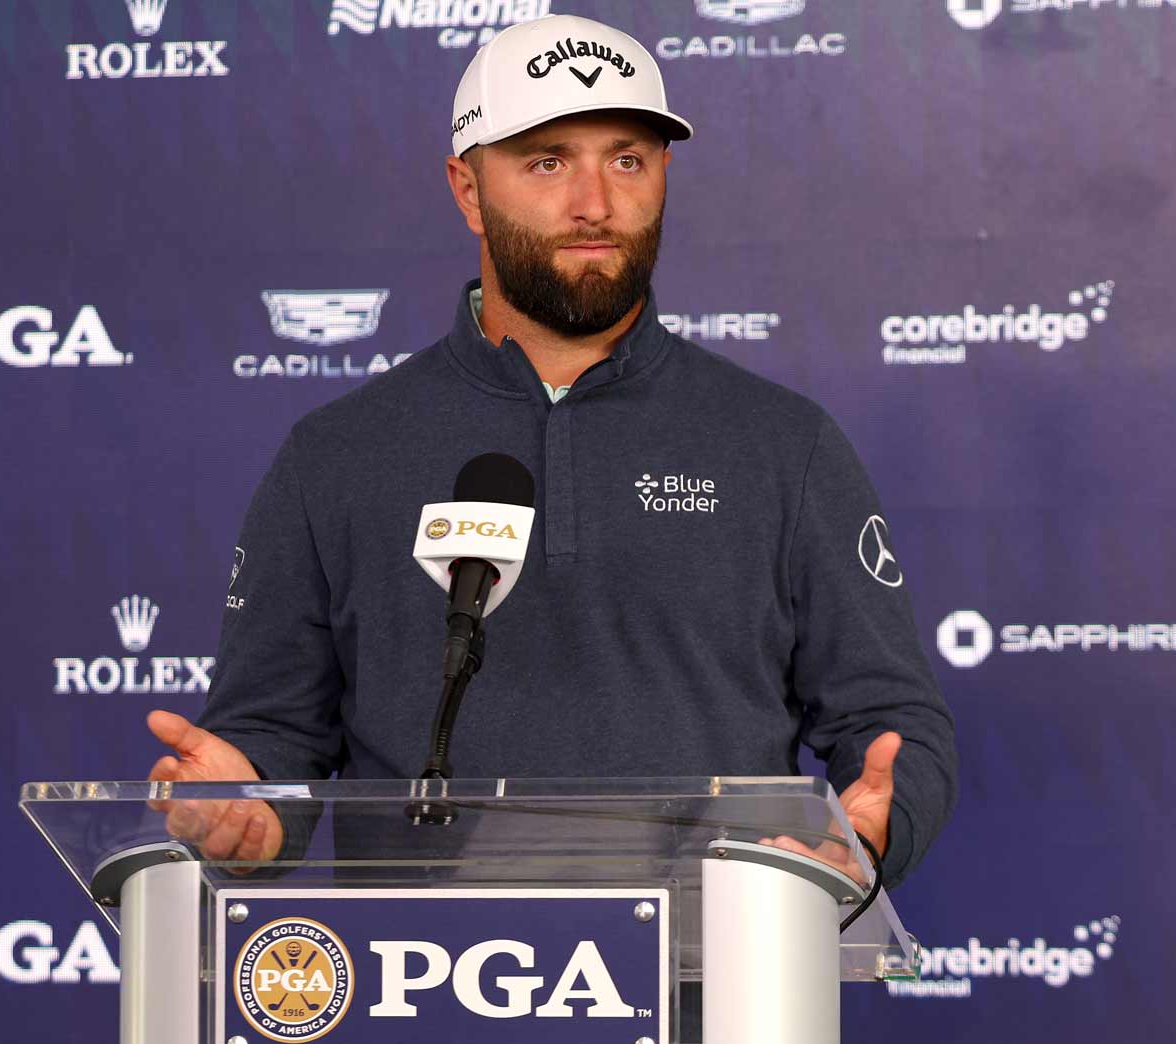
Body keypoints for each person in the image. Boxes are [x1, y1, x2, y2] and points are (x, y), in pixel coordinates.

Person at [146, 14, 956, 892]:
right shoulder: (337, 454)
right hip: (435, 995)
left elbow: (887, 720)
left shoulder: (783, 444)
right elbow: (271, 741)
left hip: (720, 988)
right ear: (466, 190)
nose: (595, 203)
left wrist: (872, 829)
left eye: (627, 159)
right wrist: (246, 808)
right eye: (546, 161)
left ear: (663, 177)